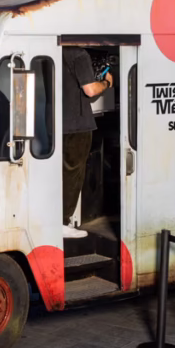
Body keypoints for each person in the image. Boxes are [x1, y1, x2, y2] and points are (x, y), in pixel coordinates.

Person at [62, 47, 113, 239]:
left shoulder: (55, 49)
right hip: (77, 125)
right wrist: (106, 83)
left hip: (54, 123)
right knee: (73, 175)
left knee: (59, 174)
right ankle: (63, 220)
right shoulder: (79, 54)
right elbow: (90, 90)